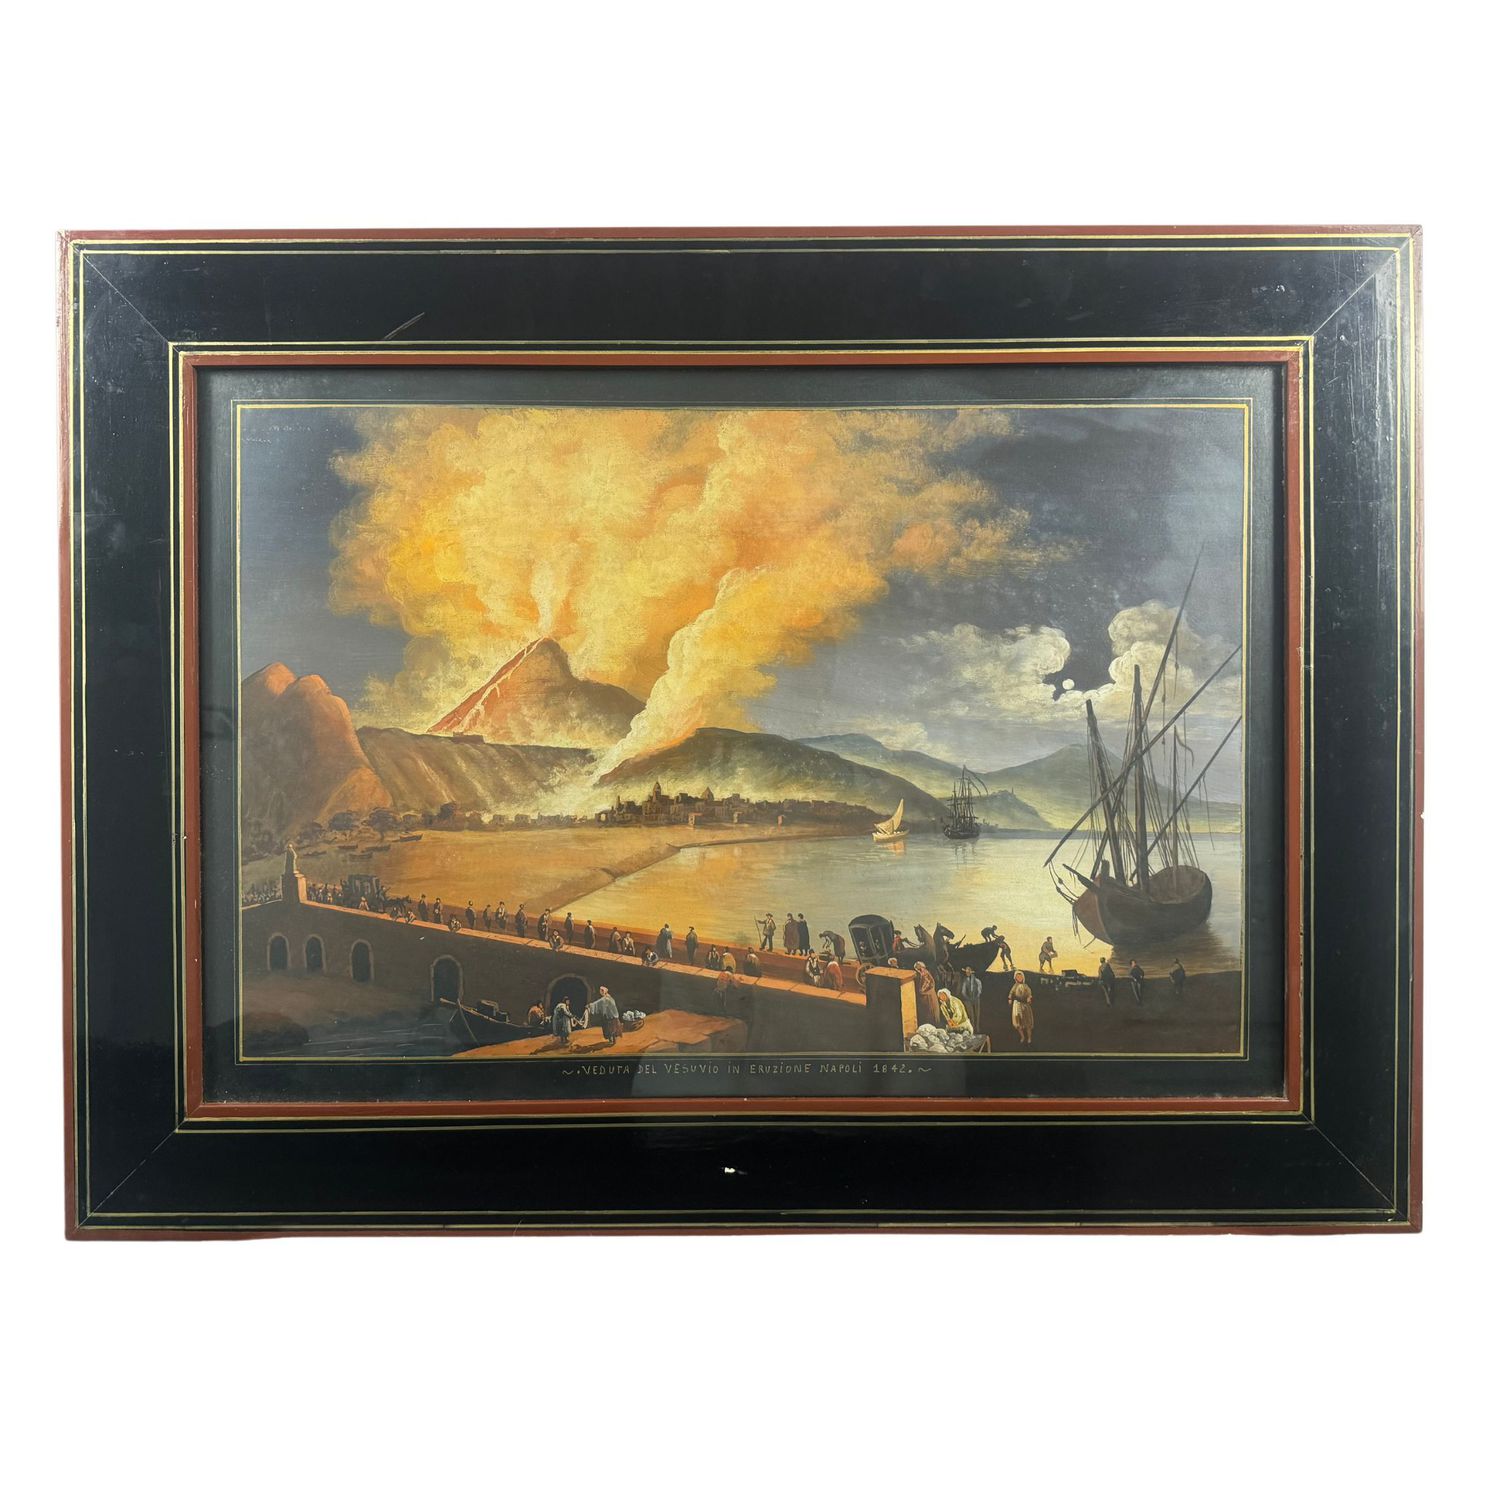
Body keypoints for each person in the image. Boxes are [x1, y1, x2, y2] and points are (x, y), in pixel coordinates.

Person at [1010, 970, 1036, 1046]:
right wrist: (1010, 998)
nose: (1019, 978)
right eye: (1017, 977)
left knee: (1027, 1022)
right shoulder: (1015, 986)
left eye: (1020, 976)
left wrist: (1029, 998)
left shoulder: (1026, 986)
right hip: (1017, 1005)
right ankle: (1022, 1037)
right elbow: (1011, 993)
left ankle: (1029, 1038)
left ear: (1023, 977)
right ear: (1015, 978)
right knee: (1018, 1023)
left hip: (1025, 1005)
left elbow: (1029, 994)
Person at [912, 961, 939, 1028]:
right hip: (924, 998)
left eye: (919, 968)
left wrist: (921, 991)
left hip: (929, 996)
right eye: (917, 969)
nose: (919, 970)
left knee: (931, 1012)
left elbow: (927, 985)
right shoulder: (920, 974)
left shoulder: (925, 974)